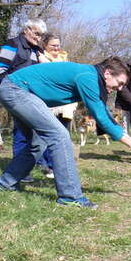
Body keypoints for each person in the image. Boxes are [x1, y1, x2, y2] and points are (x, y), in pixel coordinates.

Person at [0, 57, 131, 208]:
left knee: (37, 143)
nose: (119, 88)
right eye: (119, 83)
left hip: (13, 89)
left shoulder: (91, 77)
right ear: (107, 73)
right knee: (59, 136)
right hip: (16, 89)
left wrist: (130, 140)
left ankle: (4, 184)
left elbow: (103, 112)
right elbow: (101, 117)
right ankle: (70, 196)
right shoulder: (88, 77)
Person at [0, 18, 48, 182]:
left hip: (31, 96)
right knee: (22, 132)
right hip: (15, 94)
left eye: (41, 35)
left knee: (32, 132)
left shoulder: (37, 50)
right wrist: (13, 87)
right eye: (36, 34)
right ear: (26, 30)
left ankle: (24, 168)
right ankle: (19, 172)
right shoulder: (12, 44)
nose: (39, 38)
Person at [37, 33, 78, 178]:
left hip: (65, 105)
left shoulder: (64, 59)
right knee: (48, 134)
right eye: (53, 45)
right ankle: (47, 165)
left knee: (63, 134)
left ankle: (58, 165)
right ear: (45, 46)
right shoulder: (40, 58)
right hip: (48, 103)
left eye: (58, 45)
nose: (56, 48)